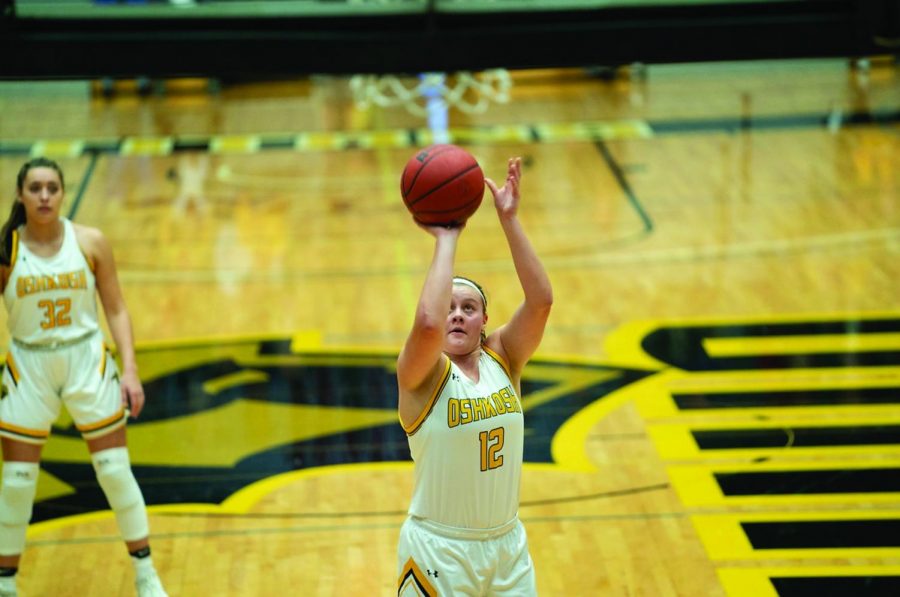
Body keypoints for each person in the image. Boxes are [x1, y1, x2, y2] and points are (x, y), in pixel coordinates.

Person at [0, 157, 167, 597]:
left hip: (86, 358)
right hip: (28, 365)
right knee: (16, 482)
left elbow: (116, 307)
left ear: (62, 193)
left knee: (114, 470)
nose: (43, 196)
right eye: (34, 188)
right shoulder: (5, 249)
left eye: (51, 188)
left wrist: (130, 369)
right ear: (20, 195)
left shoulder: (90, 242)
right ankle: (7, 584)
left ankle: (145, 575)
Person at [396, 156, 552, 596]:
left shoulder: (504, 358)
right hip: (439, 551)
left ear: (485, 320)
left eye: (469, 308)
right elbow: (427, 325)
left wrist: (510, 220)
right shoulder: (422, 374)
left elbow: (540, 301)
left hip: (508, 549)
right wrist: (447, 237)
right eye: (450, 307)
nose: (457, 316)